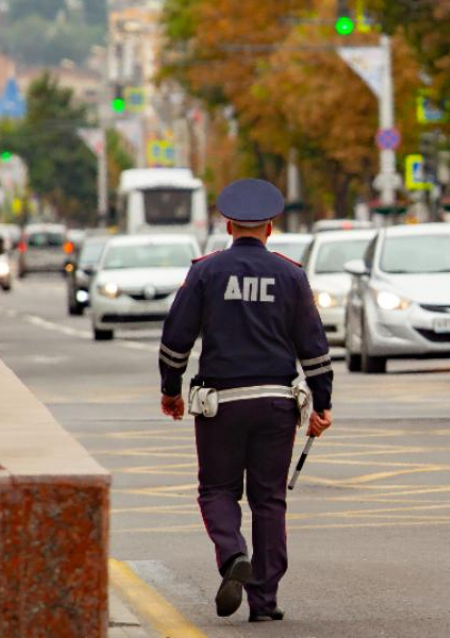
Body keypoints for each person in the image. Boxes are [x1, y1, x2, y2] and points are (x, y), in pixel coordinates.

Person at [158, 178, 333, 623]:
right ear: (270, 228)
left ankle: (233, 553)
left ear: (228, 224)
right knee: (269, 500)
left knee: (217, 489)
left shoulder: (205, 272)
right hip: (276, 402)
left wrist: (170, 388)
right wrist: (323, 402)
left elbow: (176, 338)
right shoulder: (291, 275)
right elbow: (313, 346)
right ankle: (265, 599)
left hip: (221, 403)